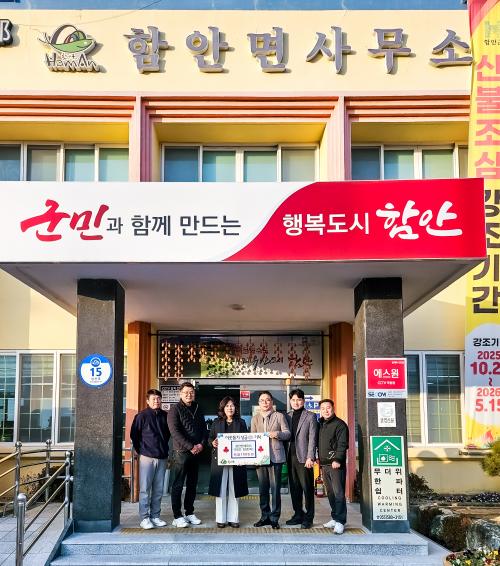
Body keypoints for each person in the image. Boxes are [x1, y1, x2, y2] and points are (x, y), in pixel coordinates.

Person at [167, 381, 207, 528]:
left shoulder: (197, 407)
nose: (189, 395)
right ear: (180, 393)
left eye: (191, 392)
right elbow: (174, 432)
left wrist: (201, 444)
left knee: (192, 484)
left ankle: (189, 512)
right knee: (178, 484)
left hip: (196, 452)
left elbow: (204, 428)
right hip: (181, 452)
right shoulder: (174, 410)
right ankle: (177, 516)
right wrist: (191, 446)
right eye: (186, 392)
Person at [130, 388, 170, 530]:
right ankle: (144, 518)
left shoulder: (165, 416)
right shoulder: (141, 416)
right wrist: (141, 450)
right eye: (153, 399)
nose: (156, 401)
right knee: (145, 489)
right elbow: (134, 435)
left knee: (158, 489)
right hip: (147, 457)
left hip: (162, 457)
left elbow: (168, 435)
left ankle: (155, 516)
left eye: (158, 399)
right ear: (147, 401)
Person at [251, 390, 291, 529]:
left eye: (267, 400)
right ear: (259, 403)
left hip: (276, 457)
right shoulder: (255, 418)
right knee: (263, 489)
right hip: (260, 458)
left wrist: (277, 434)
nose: (265, 402)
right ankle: (264, 516)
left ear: (272, 402)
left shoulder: (279, 416)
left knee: (275, 489)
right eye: (262, 400)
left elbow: (287, 434)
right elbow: (252, 438)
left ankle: (274, 518)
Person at [208, 396, 249, 528]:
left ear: (235, 408)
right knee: (220, 489)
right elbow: (210, 438)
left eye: (232, 405)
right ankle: (220, 519)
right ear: (223, 408)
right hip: (220, 461)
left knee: (234, 489)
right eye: (227, 406)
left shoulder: (241, 422)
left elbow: (246, 440)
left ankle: (234, 518)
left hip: (236, 461)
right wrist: (212, 443)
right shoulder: (216, 422)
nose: (230, 408)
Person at [285, 388, 318, 529]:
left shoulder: (310, 416)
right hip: (289, 456)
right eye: (293, 400)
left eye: (299, 400)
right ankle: (298, 514)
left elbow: (313, 438)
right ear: (290, 401)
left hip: (304, 458)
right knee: (294, 488)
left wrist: (310, 457)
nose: (296, 402)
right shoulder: (287, 416)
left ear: (303, 401)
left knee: (307, 488)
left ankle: (309, 517)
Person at [318, 398, 349, 534]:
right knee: (330, 493)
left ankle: (341, 521)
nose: (326, 410)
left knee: (338, 493)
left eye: (328, 407)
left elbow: (342, 444)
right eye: (323, 408)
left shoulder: (340, 424)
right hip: (324, 464)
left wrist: (337, 459)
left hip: (336, 465)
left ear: (333, 408)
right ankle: (335, 517)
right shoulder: (321, 424)